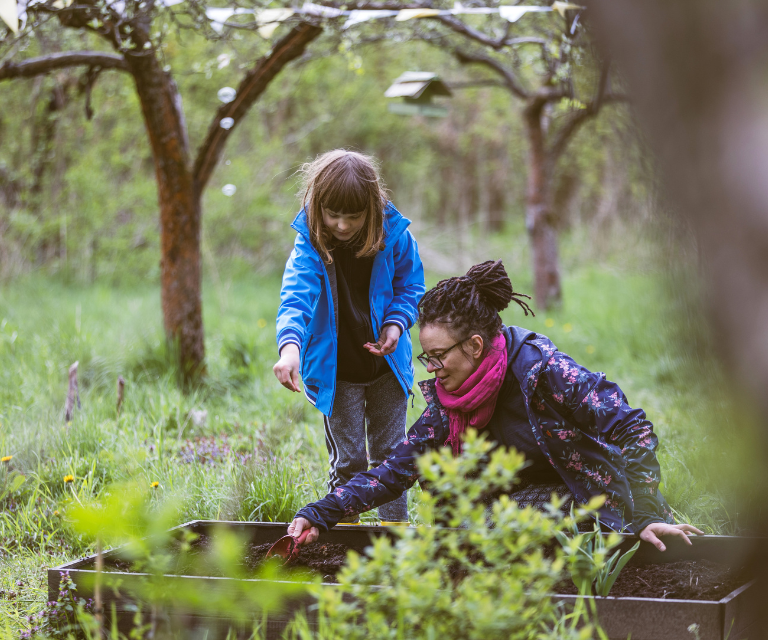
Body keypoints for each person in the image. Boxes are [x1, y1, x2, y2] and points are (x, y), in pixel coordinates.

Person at [287, 260, 703, 550]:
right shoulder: (450, 401)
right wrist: (319, 513)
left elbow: (632, 427)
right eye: (425, 357)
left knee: (490, 527)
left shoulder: (544, 374)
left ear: (474, 345)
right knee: (460, 528)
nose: (430, 369)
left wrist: (647, 513)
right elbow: (395, 471)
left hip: (584, 501)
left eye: (437, 356)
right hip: (515, 508)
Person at [273, 150, 425, 525]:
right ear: (318, 206)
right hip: (336, 374)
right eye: (333, 214)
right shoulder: (309, 244)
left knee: (393, 457)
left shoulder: (396, 235)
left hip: (387, 367)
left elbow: (412, 286)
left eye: (353, 216)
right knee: (350, 460)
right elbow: (296, 297)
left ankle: (395, 536)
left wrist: (396, 323)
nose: (342, 225)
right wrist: (290, 349)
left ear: (371, 208)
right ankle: (344, 536)